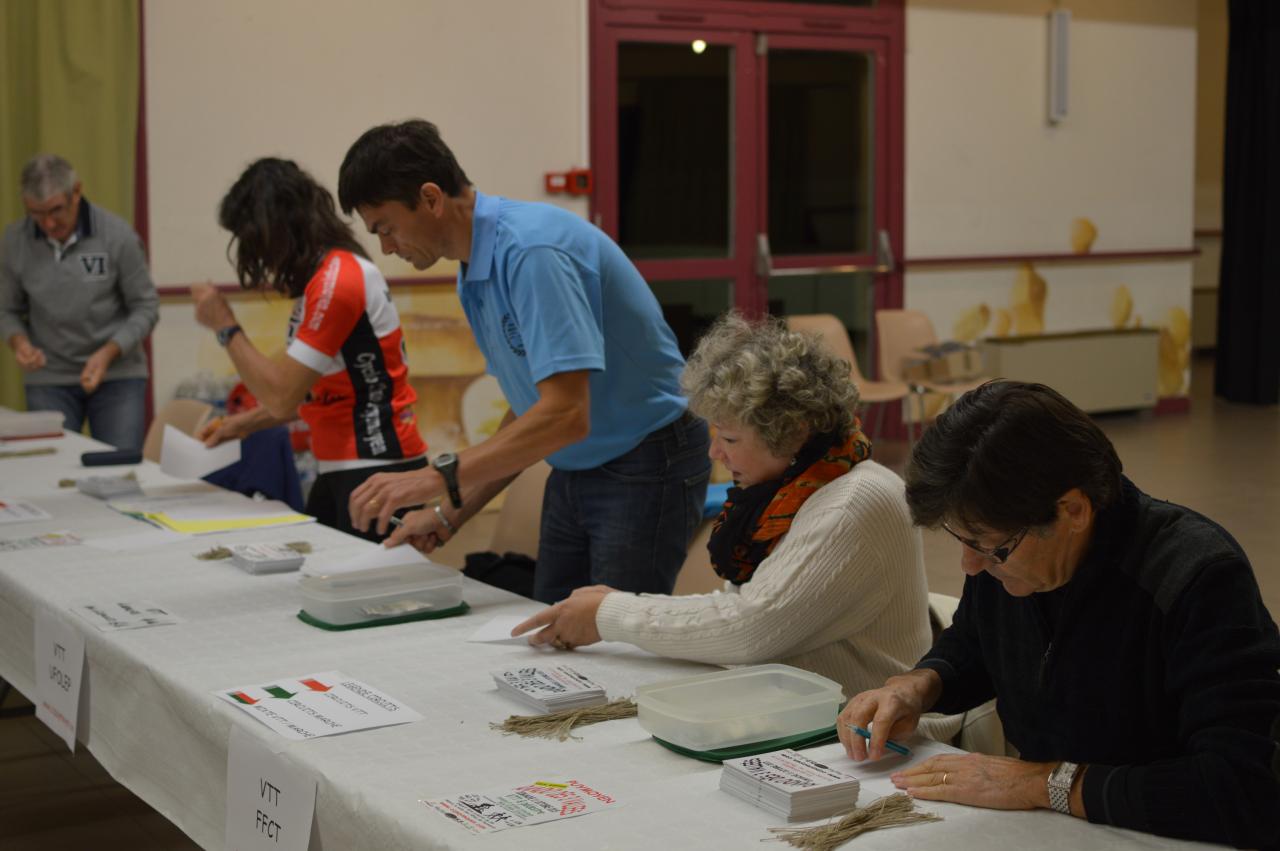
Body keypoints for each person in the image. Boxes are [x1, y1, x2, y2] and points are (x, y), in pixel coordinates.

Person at [836, 380, 1280, 848]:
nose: (970, 565)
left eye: (988, 546)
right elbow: (977, 640)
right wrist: (919, 685)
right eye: (961, 540)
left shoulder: (1197, 577)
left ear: (1072, 510)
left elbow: (1243, 788)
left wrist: (1041, 784)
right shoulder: (1010, 555)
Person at [510, 314, 957, 734]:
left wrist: (609, 614)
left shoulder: (852, 502)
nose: (714, 455)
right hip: (802, 714)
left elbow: (750, 628)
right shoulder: (790, 492)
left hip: (869, 734)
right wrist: (614, 605)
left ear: (794, 430)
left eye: (729, 439)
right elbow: (748, 611)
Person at [336, 119, 710, 603]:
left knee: (613, 643)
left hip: (646, 457)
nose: (386, 247)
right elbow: (532, 410)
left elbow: (566, 416)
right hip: (579, 462)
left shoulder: (532, 251)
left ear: (430, 198)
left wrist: (436, 476)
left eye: (385, 228)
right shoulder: (473, 272)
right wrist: (450, 511)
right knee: (550, 623)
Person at [191, 158, 427, 541]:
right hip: (347, 465)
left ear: (275, 230)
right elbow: (313, 389)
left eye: (252, 241)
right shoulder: (327, 275)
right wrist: (244, 424)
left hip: (374, 466)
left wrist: (225, 326)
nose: (256, 259)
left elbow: (283, 396)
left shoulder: (339, 278)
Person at [0, 154, 158, 449]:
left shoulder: (117, 235)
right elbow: (6, 309)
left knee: (117, 469)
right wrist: (19, 343)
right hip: (49, 378)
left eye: (56, 210)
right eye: (36, 213)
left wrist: (108, 352)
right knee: (50, 471)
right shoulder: (14, 241)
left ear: (77, 192)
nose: (48, 223)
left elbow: (146, 307)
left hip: (117, 375)